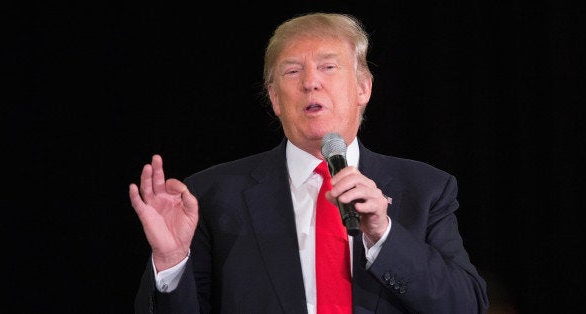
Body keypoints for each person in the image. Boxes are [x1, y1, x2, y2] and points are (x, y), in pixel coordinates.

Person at [129, 12, 489, 314]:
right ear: (274, 99)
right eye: (292, 72)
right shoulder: (212, 196)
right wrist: (172, 262)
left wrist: (384, 235)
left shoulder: (425, 189)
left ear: (363, 88)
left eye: (328, 67)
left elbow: (468, 305)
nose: (310, 83)